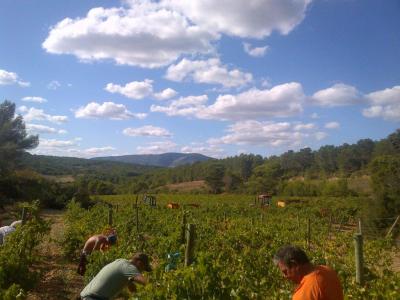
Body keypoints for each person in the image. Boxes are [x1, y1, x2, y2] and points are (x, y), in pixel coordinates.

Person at [274, 245, 343, 300]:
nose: (285, 276)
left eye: (285, 272)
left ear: (294, 264)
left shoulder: (305, 294)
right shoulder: (327, 270)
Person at [80, 252, 152, 300]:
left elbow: (132, 288)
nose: (141, 272)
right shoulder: (129, 268)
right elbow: (146, 282)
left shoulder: (120, 262)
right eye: (143, 269)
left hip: (87, 296)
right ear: (139, 263)